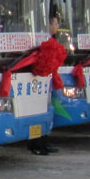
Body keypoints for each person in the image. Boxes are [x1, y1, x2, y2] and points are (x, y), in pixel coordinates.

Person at [28, 14, 63, 156]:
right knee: (37, 109)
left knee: (46, 109)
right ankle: (36, 144)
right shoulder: (40, 40)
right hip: (38, 78)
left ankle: (44, 141)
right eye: (55, 24)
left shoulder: (51, 40)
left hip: (47, 79)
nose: (57, 27)